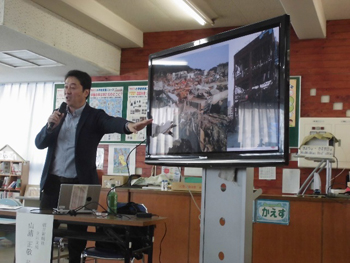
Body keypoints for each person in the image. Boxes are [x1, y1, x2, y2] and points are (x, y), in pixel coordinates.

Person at [35, 69, 152, 263]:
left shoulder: (93, 116)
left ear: (86, 92)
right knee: (43, 236)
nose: (67, 92)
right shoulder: (58, 115)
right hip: (52, 185)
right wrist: (49, 127)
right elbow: (39, 144)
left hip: (79, 187)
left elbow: (111, 122)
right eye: (65, 87)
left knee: (76, 239)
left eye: (73, 87)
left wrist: (128, 126)